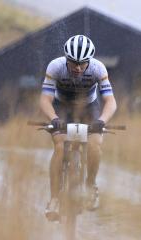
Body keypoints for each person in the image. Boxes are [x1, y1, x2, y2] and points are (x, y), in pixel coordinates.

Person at [40, 35, 117, 221]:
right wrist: (54, 118)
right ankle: (55, 199)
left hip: (89, 108)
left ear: (89, 61)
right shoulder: (55, 67)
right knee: (59, 145)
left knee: (95, 143)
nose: (78, 67)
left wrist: (102, 121)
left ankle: (90, 185)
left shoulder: (98, 68)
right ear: (66, 58)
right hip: (61, 107)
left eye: (83, 63)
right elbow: (45, 99)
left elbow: (110, 101)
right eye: (73, 62)